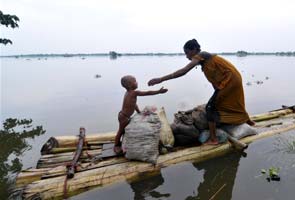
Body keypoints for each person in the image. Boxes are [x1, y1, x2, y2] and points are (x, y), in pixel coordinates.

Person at [148, 39, 255, 145]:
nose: (187, 56)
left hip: (229, 80)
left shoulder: (201, 55)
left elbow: (184, 71)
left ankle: (213, 139)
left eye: (187, 53)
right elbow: (215, 79)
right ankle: (249, 121)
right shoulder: (205, 61)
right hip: (231, 78)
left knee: (210, 108)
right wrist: (217, 94)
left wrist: (161, 79)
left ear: (194, 50)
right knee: (232, 101)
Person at [114, 75, 168, 154]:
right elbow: (147, 93)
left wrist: (139, 111)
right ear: (129, 85)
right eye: (135, 81)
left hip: (124, 116)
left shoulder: (129, 93)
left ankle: (124, 143)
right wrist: (158, 92)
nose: (137, 82)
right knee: (121, 131)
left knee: (124, 131)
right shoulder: (134, 93)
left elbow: (133, 104)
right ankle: (116, 145)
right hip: (124, 117)